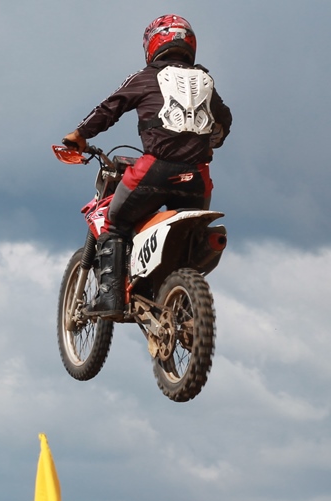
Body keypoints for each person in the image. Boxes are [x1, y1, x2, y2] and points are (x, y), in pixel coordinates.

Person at [62, 14, 232, 318]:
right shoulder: (205, 81)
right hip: (197, 177)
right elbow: (224, 120)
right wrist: (210, 142)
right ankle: (180, 302)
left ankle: (110, 299)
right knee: (192, 236)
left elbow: (110, 108)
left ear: (154, 42)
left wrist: (79, 135)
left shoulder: (145, 76)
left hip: (154, 170)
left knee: (114, 223)